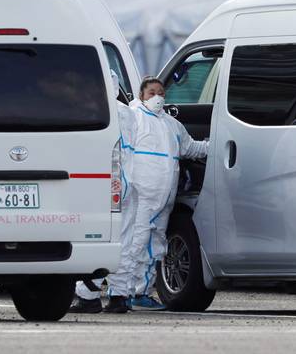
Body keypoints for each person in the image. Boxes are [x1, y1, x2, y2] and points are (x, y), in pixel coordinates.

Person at [128, 77, 208, 310]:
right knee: (135, 243)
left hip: (164, 198)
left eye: (161, 92)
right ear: (142, 95)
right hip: (140, 196)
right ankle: (118, 292)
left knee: (156, 244)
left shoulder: (172, 125)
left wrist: (214, 145)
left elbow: (190, 148)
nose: (157, 97)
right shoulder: (134, 119)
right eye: (152, 92)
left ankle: (141, 292)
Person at [68, 70, 138, 314]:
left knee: (97, 237)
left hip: (107, 181)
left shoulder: (98, 111)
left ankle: (88, 295)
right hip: (129, 181)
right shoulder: (129, 113)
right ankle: (119, 296)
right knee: (126, 241)